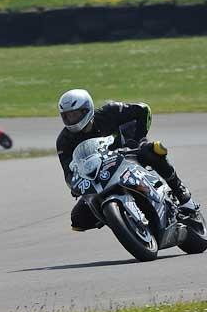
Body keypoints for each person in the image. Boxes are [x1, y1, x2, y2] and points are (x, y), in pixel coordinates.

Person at [56, 89, 197, 232]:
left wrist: (137, 140)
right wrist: (75, 185)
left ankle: (183, 196)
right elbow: (68, 171)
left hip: (128, 155)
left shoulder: (109, 111)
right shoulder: (64, 141)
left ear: (87, 109)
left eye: (75, 114)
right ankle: (123, 220)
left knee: (152, 150)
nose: (71, 119)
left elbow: (143, 110)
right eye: (67, 116)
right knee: (78, 219)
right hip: (99, 175)